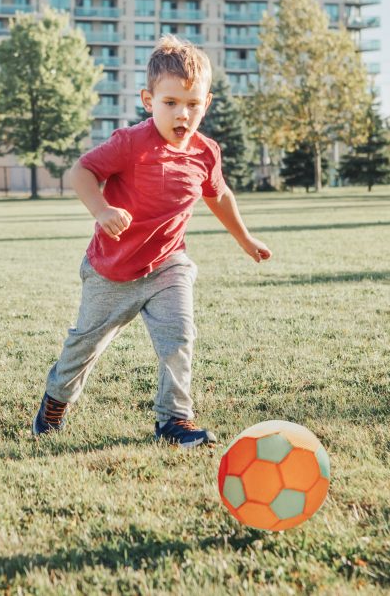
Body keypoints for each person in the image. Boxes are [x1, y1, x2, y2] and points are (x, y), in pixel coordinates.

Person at [32, 35, 272, 447]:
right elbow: (82, 172)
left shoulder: (205, 152)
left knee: (178, 336)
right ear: (148, 99)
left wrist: (245, 239)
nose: (183, 113)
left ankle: (173, 420)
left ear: (206, 103)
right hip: (113, 270)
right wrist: (102, 210)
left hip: (168, 265)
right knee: (85, 344)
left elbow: (220, 196)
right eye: (170, 103)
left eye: (193, 104)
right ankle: (56, 399)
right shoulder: (131, 143)